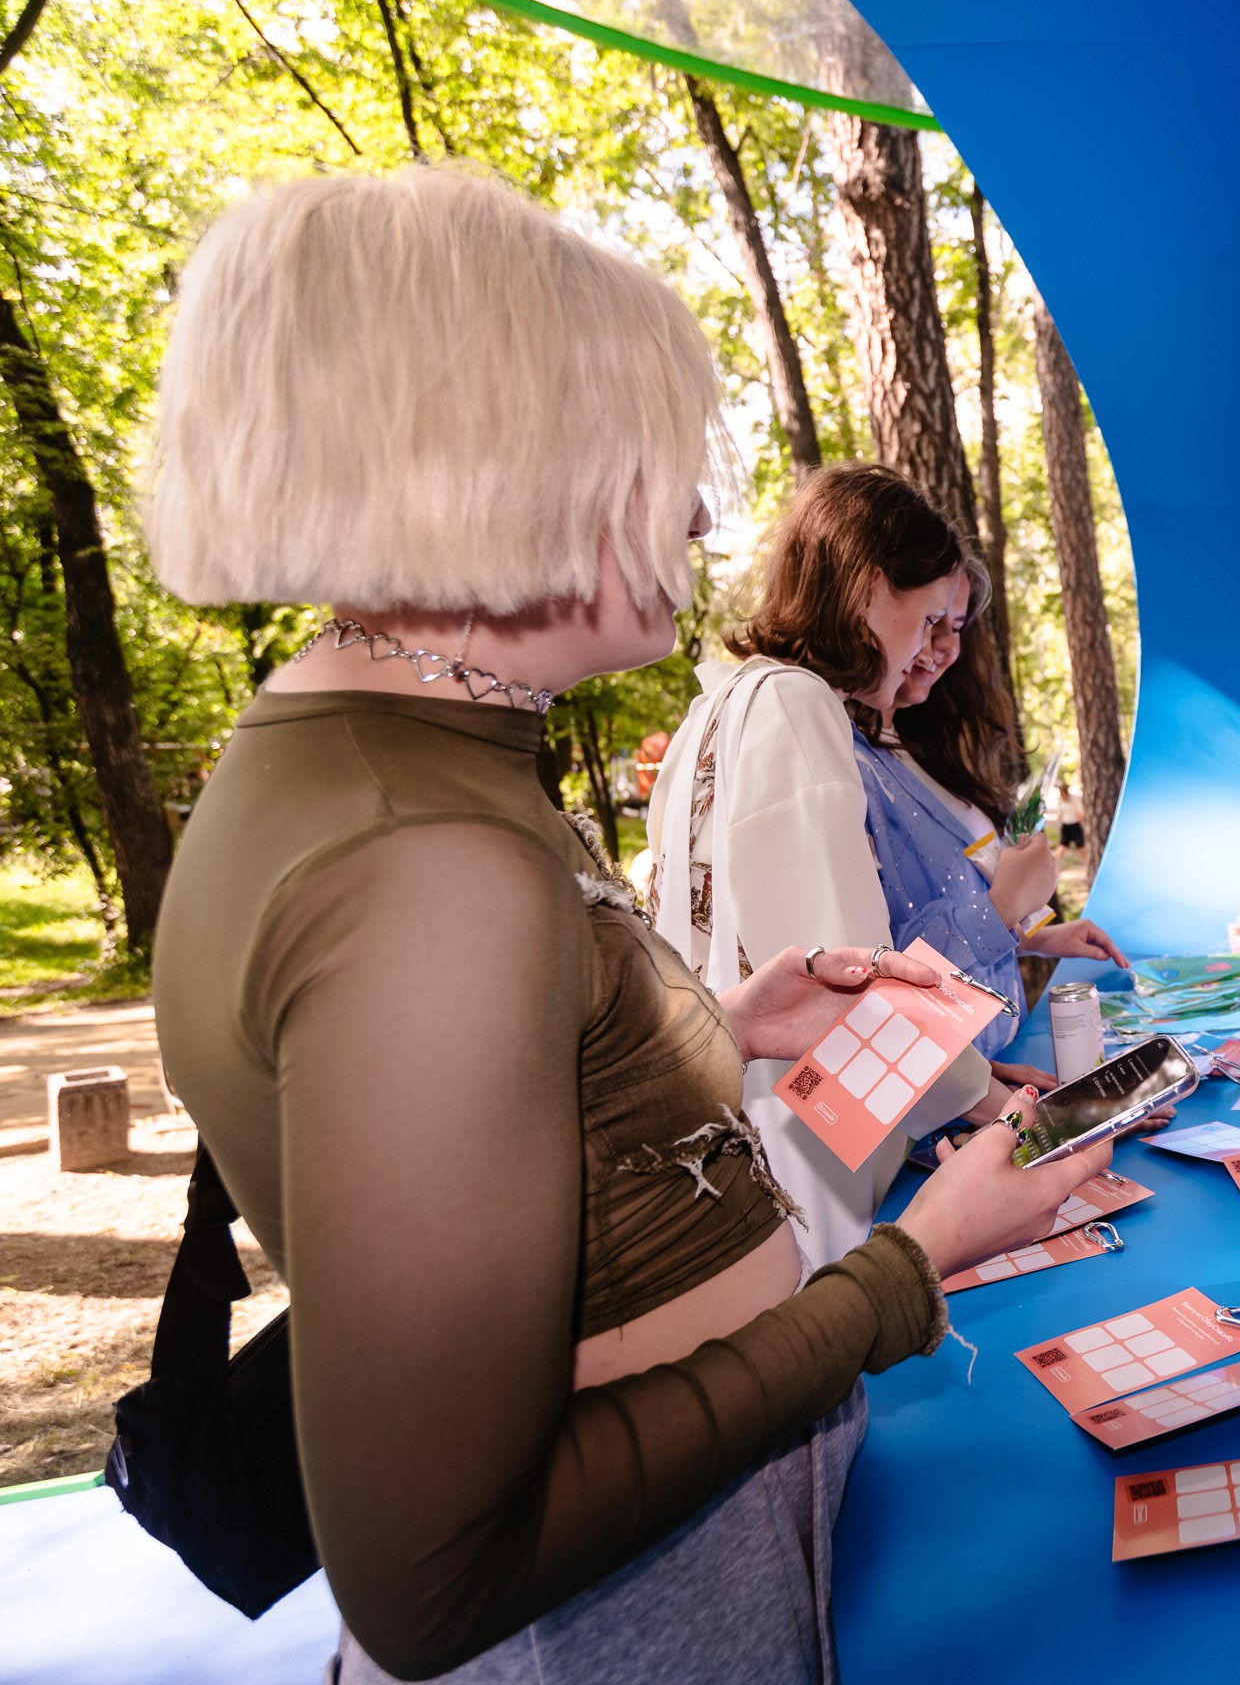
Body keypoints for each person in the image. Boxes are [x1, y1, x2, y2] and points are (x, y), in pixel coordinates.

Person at [145, 166, 1103, 1685]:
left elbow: (493, 1122)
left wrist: (716, 1026)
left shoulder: (377, 757)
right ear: (486, 460)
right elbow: (439, 1571)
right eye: (658, 461)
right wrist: (904, 1271)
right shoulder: (428, 858)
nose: (705, 514)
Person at [646, 467, 1075, 1273]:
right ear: (873, 587)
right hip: (804, 1152)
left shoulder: (712, 708)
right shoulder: (797, 702)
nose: (925, 649)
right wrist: (1007, 1111)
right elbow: (854, 980)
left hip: (728, 1123)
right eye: (927, 617)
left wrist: (978, 1081)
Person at [863, 547, 1128, 1064]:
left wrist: (1037, 938)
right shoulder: (857, 768)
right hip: (945, 1083)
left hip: (993, 1067)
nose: (940, 645)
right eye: (931, 620)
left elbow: (950, 909)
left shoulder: (920, 749)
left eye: (956, 626)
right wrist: (1003, 908)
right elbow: (886, 963)